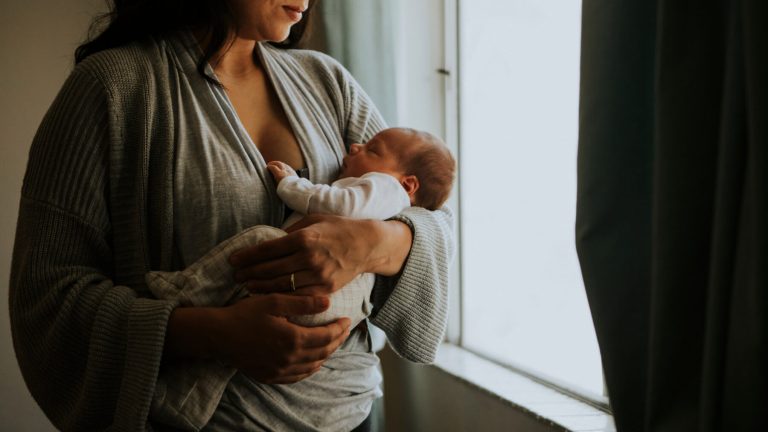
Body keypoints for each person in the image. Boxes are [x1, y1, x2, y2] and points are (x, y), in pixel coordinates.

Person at [8, 1, 454, 431]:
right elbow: (46, 295)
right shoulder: (111, 88)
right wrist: (210, 334)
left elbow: (430, 215)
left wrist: (372, 244)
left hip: (351, 415)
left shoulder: (327, 81)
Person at [145, 127, 455, 429]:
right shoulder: (389, 181)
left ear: (409, 184)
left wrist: (293, 185)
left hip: (327, 308)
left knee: (260, 241)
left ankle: (188, 288)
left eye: (371, 150)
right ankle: (185, 404)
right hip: (336, 325)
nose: (355, 147)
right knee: (228, 354)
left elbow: (344, 204)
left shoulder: (386, 185)